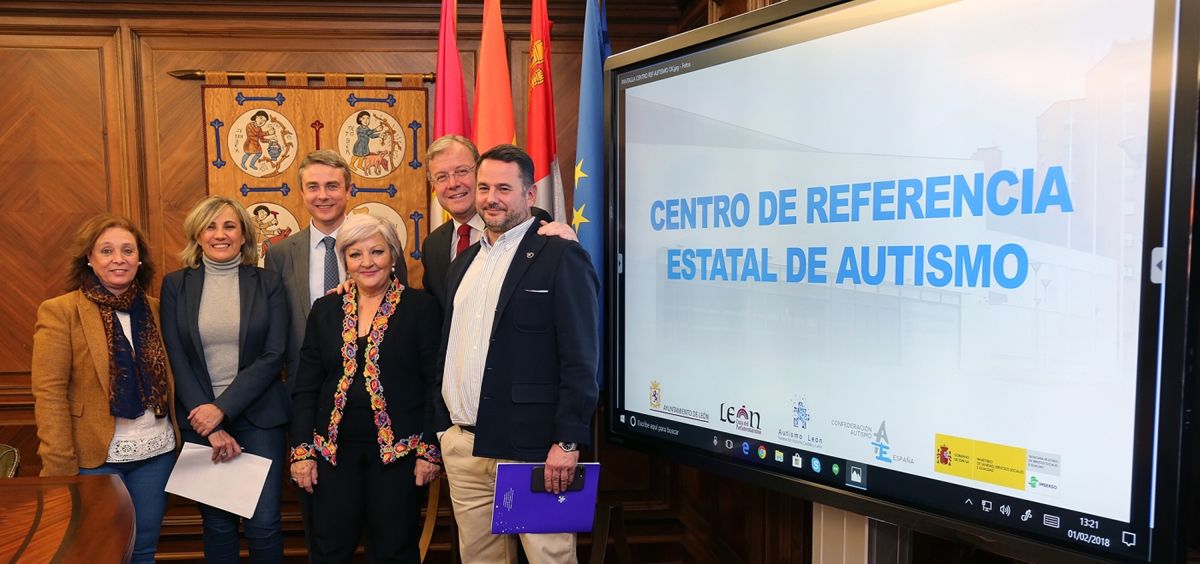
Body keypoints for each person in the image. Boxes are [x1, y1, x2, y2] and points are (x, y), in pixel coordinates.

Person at [435, 145, 600, 563]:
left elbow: (581, 358)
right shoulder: (463, 263)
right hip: (464, 448)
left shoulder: (560, 255)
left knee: (548, 557)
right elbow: (448, 346)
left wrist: (567, 441)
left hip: (533, 450)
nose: (491, 198)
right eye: (484, 187)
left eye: (504, 188)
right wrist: (442, 429)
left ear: (530, 194)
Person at [289, 213, 443, 563]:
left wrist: (429, 450)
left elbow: (434, 385)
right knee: (329, 549)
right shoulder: (325, 309)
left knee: (394, 550)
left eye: (377, 251)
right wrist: (302, 451)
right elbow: (306, 386)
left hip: (399, 455)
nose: (367, 262)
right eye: (355, 254)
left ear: (393, 255)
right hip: (332, 454)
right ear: (344, 260)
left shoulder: (421, 308)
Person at [31, 214, 179, 564]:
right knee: (98, 555)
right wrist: (59, 468)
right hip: (93, 460)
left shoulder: (157, 310)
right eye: (107, 250)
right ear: (89, 258)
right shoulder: (61, 312)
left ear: (139, 259)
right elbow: (49, 394)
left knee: (144, 550)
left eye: (128, 250)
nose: (118, 259)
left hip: (156, 454)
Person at [160, 196, 288, 563]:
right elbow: (176, 357)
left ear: (244, 235)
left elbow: (273, 354)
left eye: (230, 226)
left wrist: (222, 409)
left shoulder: (268, 283)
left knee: (264, 524)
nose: (220, 234)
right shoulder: (176, 285)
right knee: (217, 525)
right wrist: (210, 421)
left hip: (260, 419)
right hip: (199, 419)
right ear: (197, 235)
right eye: (211, 227)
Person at [265, 149, 409, 384]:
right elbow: (277, 326)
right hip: (304, 382)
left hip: (375, 379)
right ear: (302, 192)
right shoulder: (279, 254)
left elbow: (402, 306)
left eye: (332, 186)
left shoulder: (381, 246)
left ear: (349, 190)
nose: (322, 196)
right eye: (313, 187)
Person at [421, 135, 577, 307]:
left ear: (480, 173)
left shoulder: (536, 224)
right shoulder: (432, 246)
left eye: (462, 171)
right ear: (433, 185)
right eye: (441, 177)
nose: (453, 184)